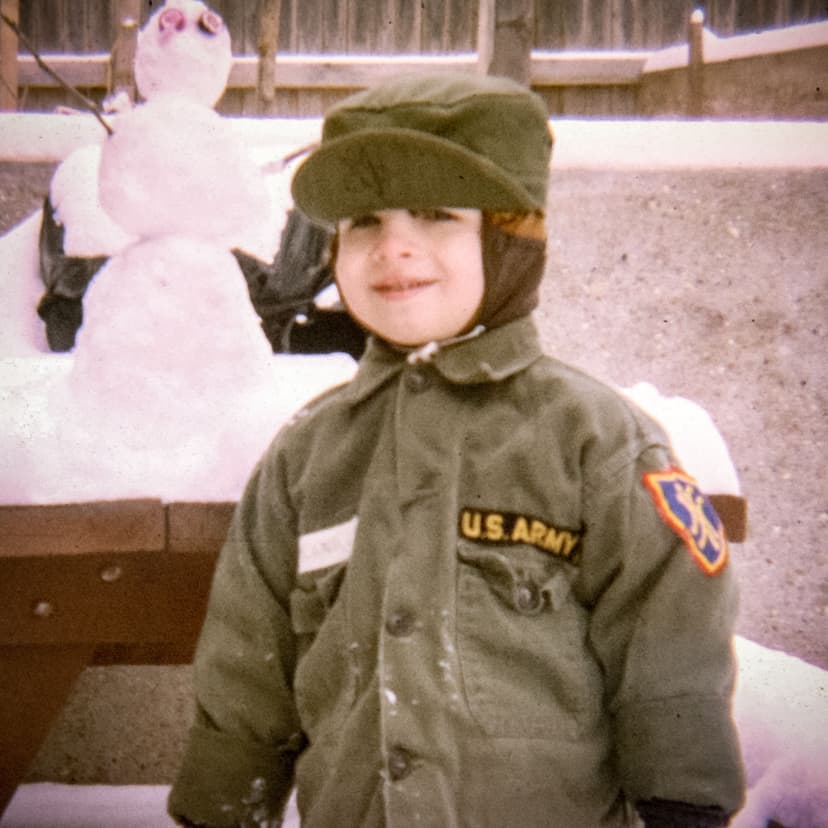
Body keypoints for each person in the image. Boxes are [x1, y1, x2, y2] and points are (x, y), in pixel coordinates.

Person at [168, 72, 745, 827]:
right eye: (365, 222)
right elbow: (250, 669)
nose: (394, 248)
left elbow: (670, 648)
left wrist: (683, 807)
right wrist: (222, 805)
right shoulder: (307, 456)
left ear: (510, 238)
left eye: (438, 214)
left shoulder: (599, 443)